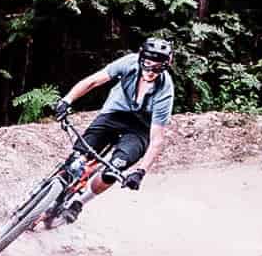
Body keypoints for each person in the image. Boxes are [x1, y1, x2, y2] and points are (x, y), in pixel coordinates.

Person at [48, 36, 175, 225]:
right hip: (114, 114)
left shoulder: (165, 90)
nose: (150, 71)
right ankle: (44, 193)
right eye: (147, 64)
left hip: (139, 129)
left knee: (113, 170)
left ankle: (78, 202)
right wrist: (67, 100)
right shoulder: (129, 63)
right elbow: (93, 81)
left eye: (157, 67)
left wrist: (141, 171)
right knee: (79, 155)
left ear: (166, 64)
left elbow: (156, 139)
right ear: (141, 57)